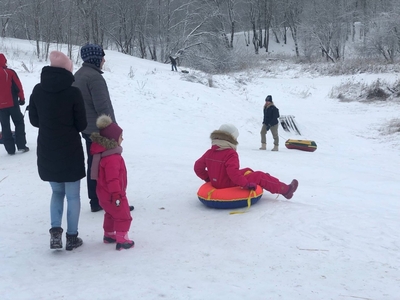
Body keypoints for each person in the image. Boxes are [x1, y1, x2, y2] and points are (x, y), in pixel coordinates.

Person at [29, 51, 87, 251]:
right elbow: (82, 124)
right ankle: (72, 237)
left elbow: (34, 121)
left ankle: (55, 233)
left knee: (56, 192)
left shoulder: (37, 90)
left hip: (47, 148)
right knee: (73, 196)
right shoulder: (73, 92)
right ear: (67, 69)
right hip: (70, 149)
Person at [194, 124, 298, 199]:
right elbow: (233, 174)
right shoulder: (230, 153)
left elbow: (197, 167)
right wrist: (246, 184)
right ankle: (287, 190)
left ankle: (268, 180)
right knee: (259, 175)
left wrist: (210, 178)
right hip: (228, 184)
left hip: (220, 181)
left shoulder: (210, 152)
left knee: (247, 170)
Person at [73, 43, 116, 212]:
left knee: (94, 164)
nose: (104, 60)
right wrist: (113, 130)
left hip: (87, 129)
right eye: (102, 57)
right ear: (96, 59)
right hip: (100, 131)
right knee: (107, 166)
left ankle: (96, 200)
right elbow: (103, 108)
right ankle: (107, 200)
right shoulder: (95, 78)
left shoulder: (79, 74)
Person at [90, 115, 134, 251]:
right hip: (114, 194)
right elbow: (113, 178)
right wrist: (116, 195)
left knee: (110, 214)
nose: (123, 139)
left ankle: (109, 235)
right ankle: (122, 239)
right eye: (121, 136)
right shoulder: (112, 158)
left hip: (103, 194)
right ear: (114, 139)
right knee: (123, 216)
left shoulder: (103, 154)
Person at [0, 53, 29, 155]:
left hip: (1, 107)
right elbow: (18, 86)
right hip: (12, 103)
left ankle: (10, 149)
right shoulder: (10, 72)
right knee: (19, 122)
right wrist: (22, 98)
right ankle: (21, 145)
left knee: (5, 126)